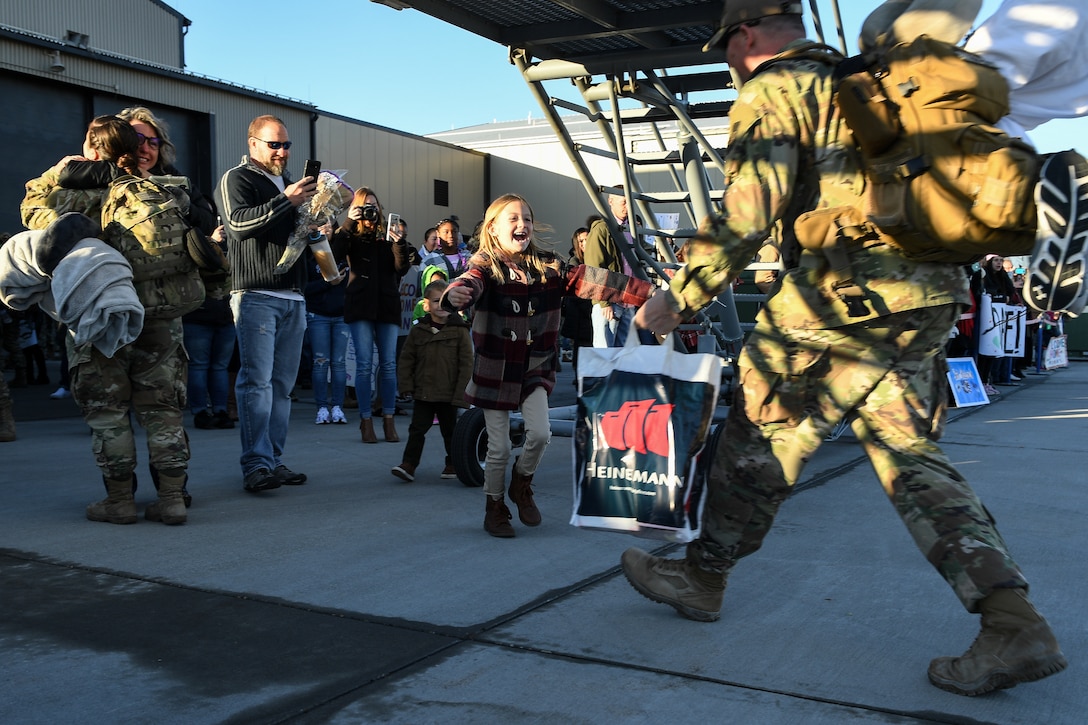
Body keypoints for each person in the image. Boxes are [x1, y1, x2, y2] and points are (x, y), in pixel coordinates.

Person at [620, 1, 1066, 698]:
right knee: (907, 454)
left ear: (745, 36)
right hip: (930, 292)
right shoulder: (867, 78)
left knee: (756, 431)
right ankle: (1011, 618)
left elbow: (749, 209)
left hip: (842, 294)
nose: (729, 65)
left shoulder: (777, 87)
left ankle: (702, 573)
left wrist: (678, 296)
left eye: (728, 50)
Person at [441, 193, 655, 538]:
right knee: (497, 449)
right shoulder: (484, 264)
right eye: (512, 219)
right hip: (495, 370)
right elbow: (469, 282)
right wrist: (452, 296)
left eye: (526, 218)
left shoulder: (549, 265)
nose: (522, 224)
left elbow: (594, 280)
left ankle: (521, 484)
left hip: (535, 367)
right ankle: (494, 505)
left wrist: (648, 292)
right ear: (493, 229)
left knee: (540, 434)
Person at [22, 116, 200, 524]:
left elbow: (31, 208)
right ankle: (172, 498)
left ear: (92, 148)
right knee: (163, 409)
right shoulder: (165, 190)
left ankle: (119, 501)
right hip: (159, 315)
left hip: (98, 317)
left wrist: (64, 169)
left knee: (108, 413)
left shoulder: (71, 198)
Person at [215, 114, 320, 493]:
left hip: (293, 296)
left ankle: (273, 460)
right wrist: (285, 201)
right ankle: (256, 465)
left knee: (281, 387)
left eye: (286, 144)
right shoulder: (237, 178)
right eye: (274, 144)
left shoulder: (292, 185)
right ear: (253, 144)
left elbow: (290, 235)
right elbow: (239, 225)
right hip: (257, 294)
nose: (282, 151)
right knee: (256, 383)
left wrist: (312, 229)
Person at [331, 187, 411, 444]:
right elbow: (333, 254)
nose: (370, 210)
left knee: (388, 364)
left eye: (374, 205)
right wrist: (349, 221)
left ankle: (388, 418)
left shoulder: (389, 233)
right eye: (365, 205)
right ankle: (366, 420)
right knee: (365, 364)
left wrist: (399, 242)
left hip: (387, 303)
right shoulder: (350, 233)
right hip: (360, 303)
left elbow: (402, 268)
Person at [392, 279, 473, 482]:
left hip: (449, 394)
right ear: (426, 305)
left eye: (446, 300)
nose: (441, 306)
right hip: (424, 392)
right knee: (417, 429)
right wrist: (406, 385)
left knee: (450, 432)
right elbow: (406, 359)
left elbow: (466, 366)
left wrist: (461, 395)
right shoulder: (418, 330)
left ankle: (453, 463)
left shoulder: (460, 331)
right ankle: (409, 464)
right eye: (436, 301)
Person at [583, 187, 653, 347]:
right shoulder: (602, 229)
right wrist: (603, 302)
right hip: (610, 300)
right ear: (610, 202)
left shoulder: (633, 229)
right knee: (606, 354)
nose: (627, 206)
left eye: (629, 202)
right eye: (623, 202)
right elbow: (594, 268)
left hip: (628, 300)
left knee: (621, 354)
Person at [304, 242, 349, 425]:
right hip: (318, 315)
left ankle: (337, 406)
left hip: (341, 316)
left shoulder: (343, 255)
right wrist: (328, 282)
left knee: (339, 363)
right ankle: (322, 407)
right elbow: (305, 289)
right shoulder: (309, 257)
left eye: (329, 224)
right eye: (322, 225)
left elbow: (350, 285)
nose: (326, 228)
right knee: (320, 362)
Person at [560, 226, 594, 376]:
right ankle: (580, 378)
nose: (584, 243)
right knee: (582, 347)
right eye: (581, 241)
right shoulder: (574, 262)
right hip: (580, 312)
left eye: (587, 239)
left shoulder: (594, 257)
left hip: (589, 310)